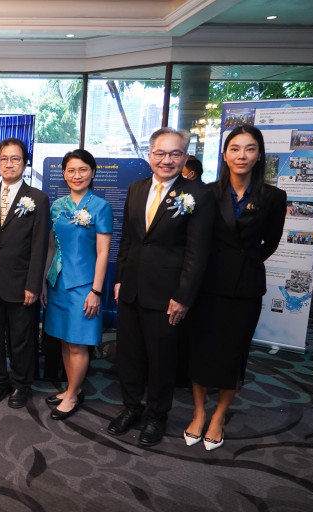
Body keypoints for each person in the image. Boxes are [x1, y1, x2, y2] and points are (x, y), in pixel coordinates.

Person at [109, 127, 214, 446]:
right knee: (129, 355)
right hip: (131, 288)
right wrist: (119, 278)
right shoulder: (137, 188)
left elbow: (198, 252)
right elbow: (128, 239)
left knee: (161, 359)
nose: (166, 160)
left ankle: (156, 416)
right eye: (160, 153)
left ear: (185, 157)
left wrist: (183, 296)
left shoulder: (197, 194)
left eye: (175, 153)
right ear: (149, 155)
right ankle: (131, 407)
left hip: (167, 293)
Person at [184, 125, 286, 451]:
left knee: (234, 353)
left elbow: (270, 243)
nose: (242, 155)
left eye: (250, 148)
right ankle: (199, 412)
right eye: (235, 148)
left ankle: (219, 415)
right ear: (225, 155)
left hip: (246, 287)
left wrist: (244, 263)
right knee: (200, 349)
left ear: (259, 155)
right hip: (207, 285)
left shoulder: (274, 197)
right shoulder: (206, 193)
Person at [0, 138, 50, 409]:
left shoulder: (38, 199)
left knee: (21, 338)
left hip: (21, 283)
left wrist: (33, 284)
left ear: (25, 164)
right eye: (4, 158)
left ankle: (20, 385)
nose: (9, 164)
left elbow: (39, 246)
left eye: (15, 159)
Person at [41, 149, 113, 420]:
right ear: (63, 174)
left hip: (84, 285)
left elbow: (104, 253)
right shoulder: (57, 206)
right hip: (58, 281)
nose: (76, 175)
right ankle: (74, 388)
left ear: (92, 173)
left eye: (83, 169)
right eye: (71, 170)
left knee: (78, 344)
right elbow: (51, 246)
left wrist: (96, 291)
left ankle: (72, 394)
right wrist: (43, 281)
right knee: (63, 338)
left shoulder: (100, 207)